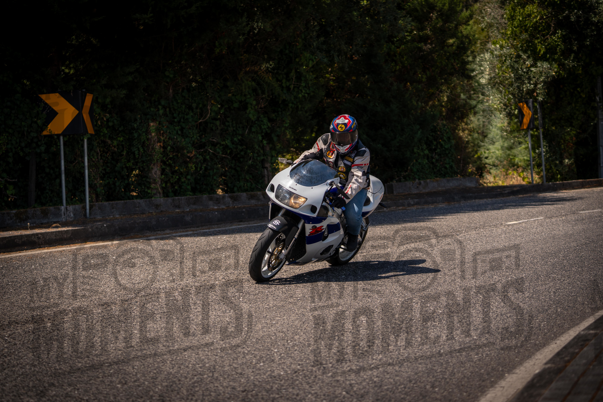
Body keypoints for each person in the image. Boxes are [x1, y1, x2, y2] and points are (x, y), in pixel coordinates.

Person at [294, 114, 370, 251]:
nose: (342, 140)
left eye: (346, 136)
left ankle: (353, 235)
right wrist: (295, 166)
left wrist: (344, 198)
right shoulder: (325, 140)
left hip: (355, 186)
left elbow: (357, 179)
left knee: (352, 214)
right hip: (330, 180)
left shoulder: (362, 152)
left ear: (354, 134)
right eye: (338, 136)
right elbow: (310, 154)